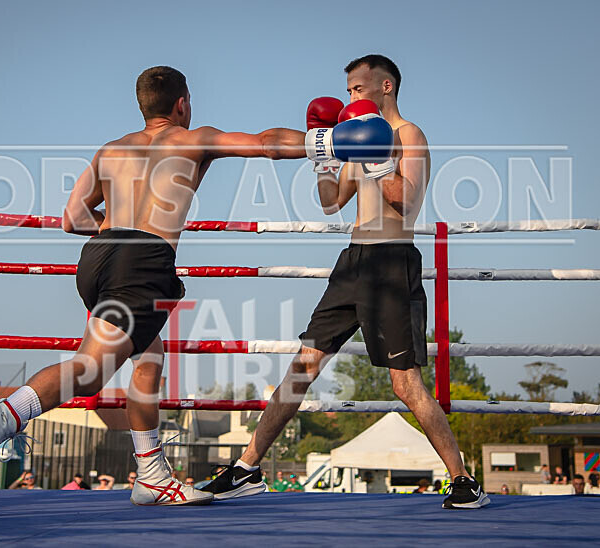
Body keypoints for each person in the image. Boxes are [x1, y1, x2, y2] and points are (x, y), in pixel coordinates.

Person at [0, 65, 307, 512]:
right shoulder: (193, 139)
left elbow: (73, 217)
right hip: (142, 263)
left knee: (148, 360)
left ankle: (151, 475)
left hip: (98, 258)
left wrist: (117, 230)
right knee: (91, 368)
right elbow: (266, 144)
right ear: (182, 104)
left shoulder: (111, 150)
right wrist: (329, 143)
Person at [201, 54, 490, 510]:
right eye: (350, 89)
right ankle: (248, 467)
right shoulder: (354, 137)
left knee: (405, 383)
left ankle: (463, 480)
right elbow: (331, 203)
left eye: (359, 87)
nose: (351, 96)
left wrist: (376, 158)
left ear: (386, 86)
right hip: (351, 263)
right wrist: (323, 160)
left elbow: (406, 200)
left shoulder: (408, 134)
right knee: (302, 367)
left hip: (392, 263)